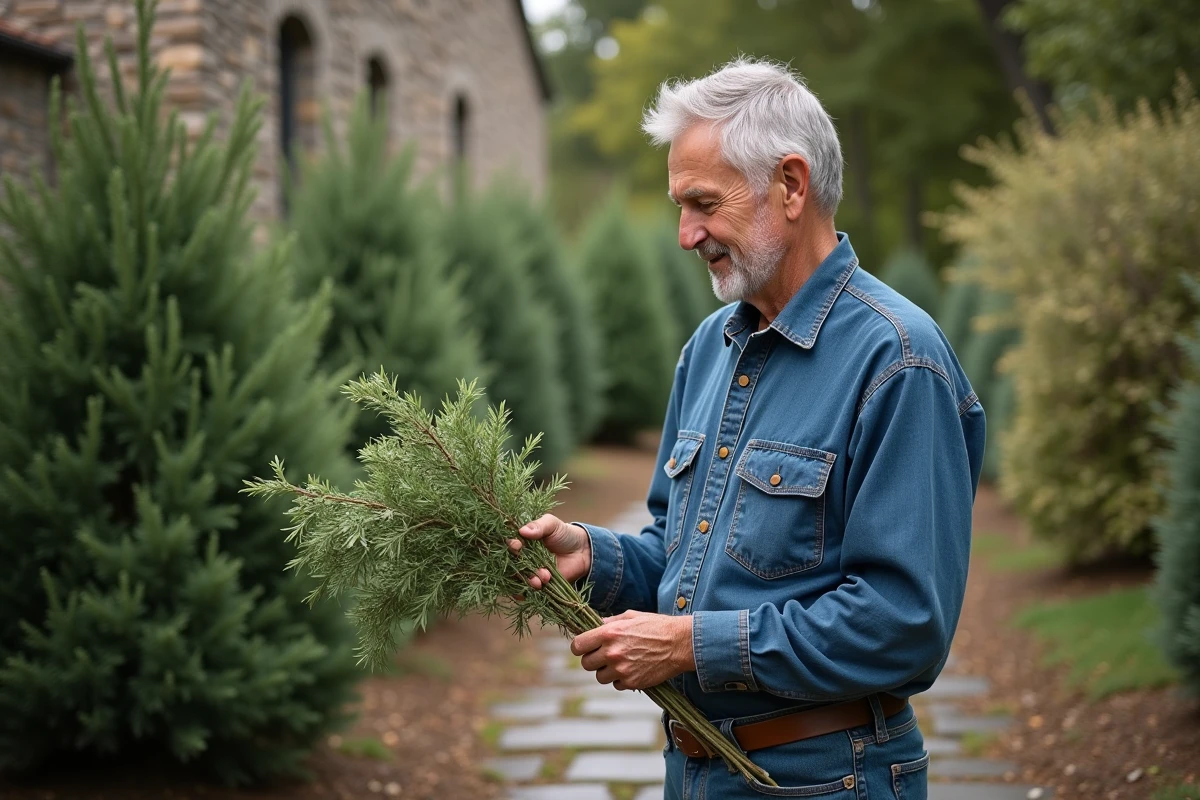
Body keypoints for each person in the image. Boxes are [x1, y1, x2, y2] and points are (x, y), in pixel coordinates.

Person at [510, 57, 985, 800]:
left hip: (829, 779)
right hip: (697, 772)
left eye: (702, 202)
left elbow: (903, 624)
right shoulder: (709, 350)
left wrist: (691, 645)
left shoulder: (898, 359)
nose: (683, 233)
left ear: (791, 186)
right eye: (678, 205)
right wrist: (594, 557)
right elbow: (681, 561)